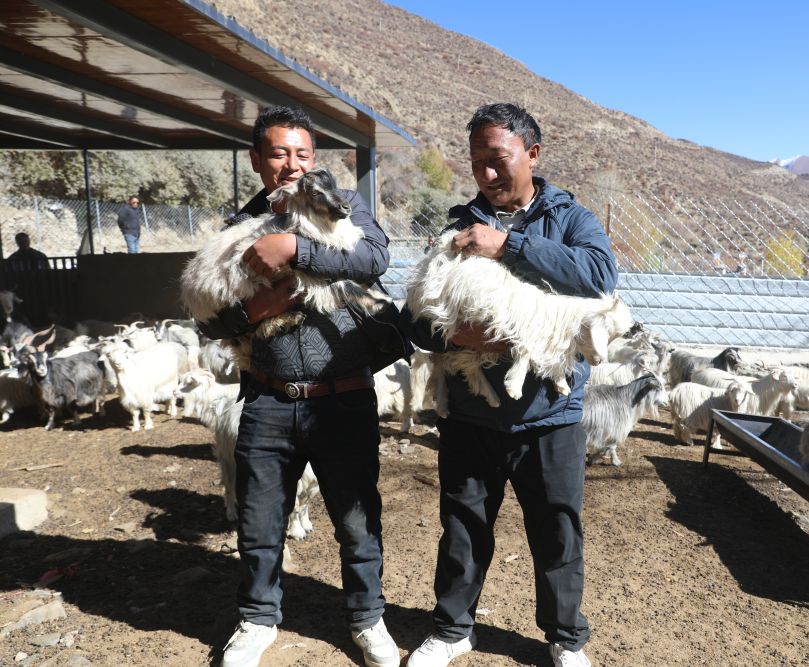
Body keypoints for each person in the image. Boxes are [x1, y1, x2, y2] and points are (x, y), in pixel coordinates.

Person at [402, 103, 617, 667]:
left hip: (551, 414)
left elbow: (598, 279)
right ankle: (452, 630)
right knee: (463, 526)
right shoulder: (459, 223)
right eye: (477, 164)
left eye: (497, 161)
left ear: (532, 154)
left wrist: (508, 246)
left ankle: (566, 639)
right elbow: (418, 316)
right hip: (473, 412)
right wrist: (460, 337)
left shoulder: (571, 220)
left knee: (557, 531)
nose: (487, 175)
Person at [197, 106, 401, 667]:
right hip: (266, 397)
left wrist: (295, 251)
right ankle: (257, 619)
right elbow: (208, 318)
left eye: (303, 154)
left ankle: (368, 619)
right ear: (257, 159)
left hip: (343, 395)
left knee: (358, 520)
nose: (293, 164)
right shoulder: (240, 226)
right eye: (281, 153)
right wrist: (254, 309)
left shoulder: (343, 206)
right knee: (260, 520)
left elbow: (375, 255)